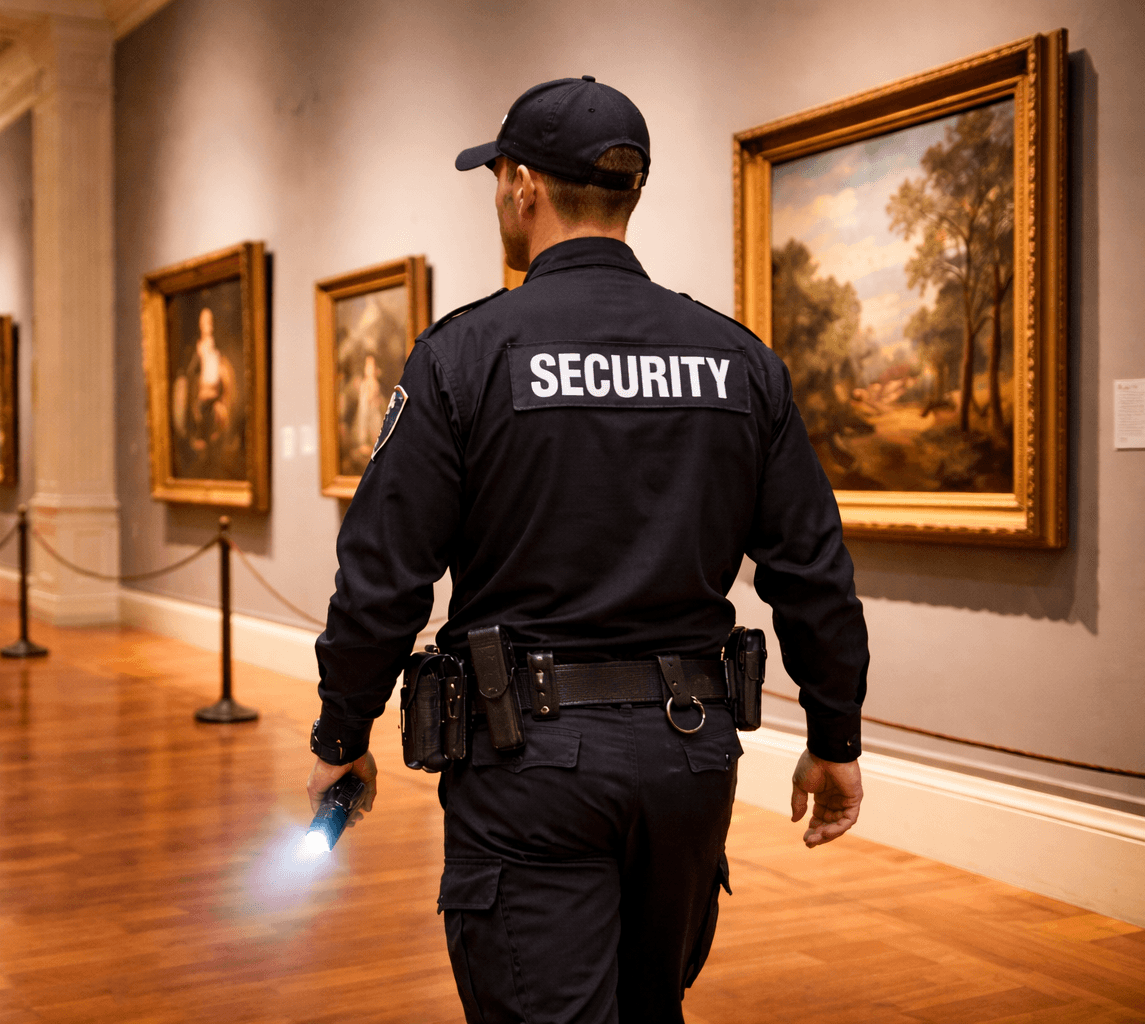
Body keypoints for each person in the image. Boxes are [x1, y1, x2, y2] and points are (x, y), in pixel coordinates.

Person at [306, 76, 869, 1023]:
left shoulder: (464, 356)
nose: (497, 196)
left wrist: (341, 734)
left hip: (529, 764)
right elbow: (813, 570)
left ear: (523, 187)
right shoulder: (736, 360)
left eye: (497, 179)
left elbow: (382, 574)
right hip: (690, 757)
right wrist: (834, 734)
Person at [171, 306, 241, 479]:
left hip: (214, 400)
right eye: (204, 322)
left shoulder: (218, 353)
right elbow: (189, 377)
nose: (207, 326)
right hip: (199, 402)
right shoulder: (196, 351)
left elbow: (225, 377)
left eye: (210, 322)